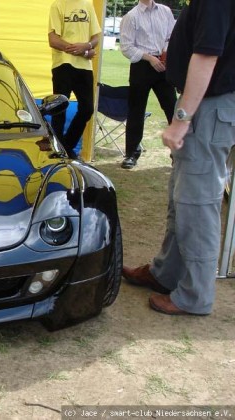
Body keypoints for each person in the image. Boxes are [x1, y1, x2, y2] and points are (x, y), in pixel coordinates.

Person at [122, 0, 235, 316]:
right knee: (182, 198)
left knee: (196, 204)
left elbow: (207, 54)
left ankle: (194, 296)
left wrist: (182, 117)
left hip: (207, 108)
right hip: (208, 106)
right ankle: (165, 273)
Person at [119, 0, 177, 170]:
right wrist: (150, 59)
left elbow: (171, 36)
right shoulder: (131, 16)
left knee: (172, 107)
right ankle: (131, 153)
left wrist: (165, 53)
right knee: (136, 110)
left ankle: (178, 153)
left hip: (163, 63)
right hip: (142, 65)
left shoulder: (165, 11)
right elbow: (126, 47)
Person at [48, 0, 101, 159]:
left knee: (87, 109)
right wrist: (81, 51)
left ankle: (66, 146)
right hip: (63, 64)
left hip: (84, 67)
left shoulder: (88, 4)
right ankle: (58, 150)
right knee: (59, 109)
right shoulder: (57, 5)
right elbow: (53, 40)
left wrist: (87, 46)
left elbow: (96, 37)